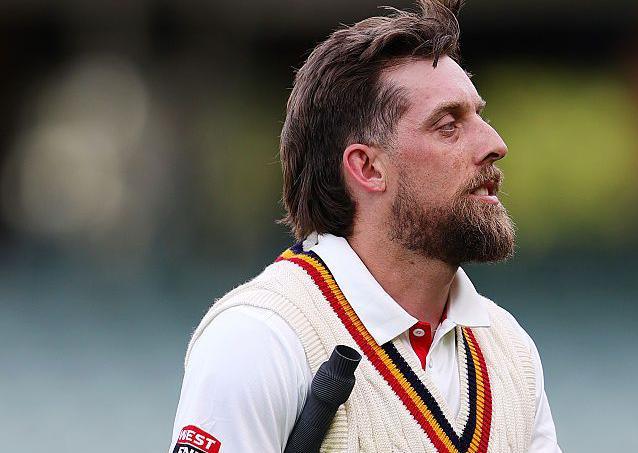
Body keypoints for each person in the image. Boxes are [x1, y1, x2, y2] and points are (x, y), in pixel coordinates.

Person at [168, 1, 562, 452]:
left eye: (480, 116)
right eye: (448, 125)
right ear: (368, 168)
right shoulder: (259, 340)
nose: (495, 143)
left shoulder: (512, 352)